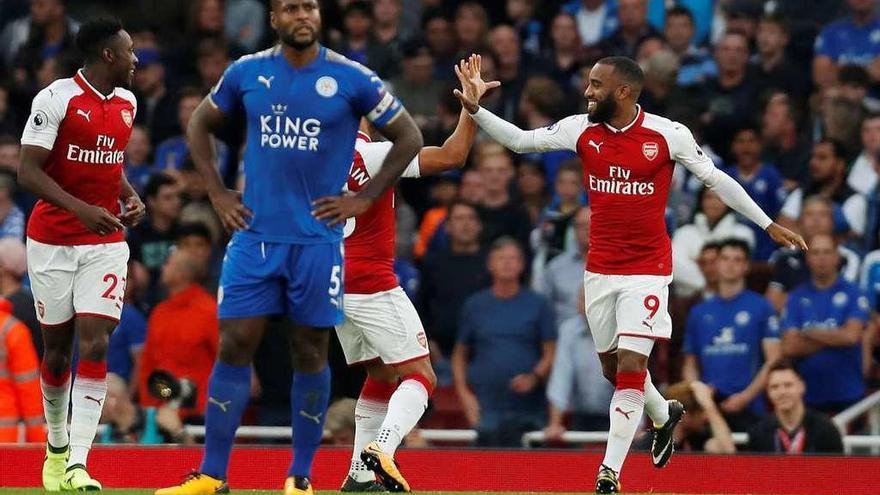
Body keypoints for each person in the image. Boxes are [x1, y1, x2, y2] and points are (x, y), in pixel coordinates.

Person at [454, 54, 804, 493]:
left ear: (624, 91)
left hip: (648, 270)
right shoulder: (581, 129)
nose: (587, 92)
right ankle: (663, 413)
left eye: (597, 85)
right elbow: (523, 142)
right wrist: (475, 108)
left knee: (633, 366)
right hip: (600, 269)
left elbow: (718, 180)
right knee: (613, 370)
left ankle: (609, 473)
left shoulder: (668, 134)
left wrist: (767, 224)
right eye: (588, 84)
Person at [156, 1, 423, 494]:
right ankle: (211, 476)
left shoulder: (352, 77)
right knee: (235, 347)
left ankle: (299, 478)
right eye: (290, 7)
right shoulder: (247, 72)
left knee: (309, 353)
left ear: (319, 16)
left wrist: (363, 198)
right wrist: (215, 192)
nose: (302, 14)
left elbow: (409, 135)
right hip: (256, 238)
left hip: (317, 244)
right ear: (273, 18)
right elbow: (198, 125)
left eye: (310, 6)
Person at [337, 55, 484, 493]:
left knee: (381, 374)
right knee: (421, 376)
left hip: (331, 284)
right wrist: (471, 107)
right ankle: (382, 449)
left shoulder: (313, 158)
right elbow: (454, 155)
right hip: (371, 282)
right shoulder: (379, 155)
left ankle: (358, 478)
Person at [17, 17, 144, 491]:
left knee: (95, 342)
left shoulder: (129, 103)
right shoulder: (55, 99)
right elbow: (28, 173)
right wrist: (81, 209)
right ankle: (56, 448)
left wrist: (128, 194)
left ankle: (80, 463)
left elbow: (108, 163)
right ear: (108, 55)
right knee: (55, 353)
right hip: (51, 241)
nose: (136, 59)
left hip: (104, 242)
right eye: (129, 51)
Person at [452, 238, 556, 447]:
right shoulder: (475, 305)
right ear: (490, 264)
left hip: (529, 409)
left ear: (522, 264)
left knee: (529, 474)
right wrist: (464, 394)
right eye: (501, 258)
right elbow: (459, 354)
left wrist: (534, 377)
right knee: (484, 474)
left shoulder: (538, 304)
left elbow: (551, 352)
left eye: (513, 258)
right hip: (486, 407)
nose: (507, 263)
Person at [682, 239, 781, 432]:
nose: (730, 264)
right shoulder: (699, 312)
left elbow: (774, 359)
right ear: (716, 264)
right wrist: (700, 396)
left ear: (746, 267)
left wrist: (745, 397)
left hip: (750, 407)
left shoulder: (761, 307)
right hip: (709, 408)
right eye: (725, 258)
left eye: (737, 260)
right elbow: (690, 363)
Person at [780, 234, 868, 413]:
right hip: (809, 395)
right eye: (816, 252)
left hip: (849, 392)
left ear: (837, 256)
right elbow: (789, 347)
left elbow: (851, 337)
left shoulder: (854, 292)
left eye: (827, 252)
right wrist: (835, 336)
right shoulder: (796, 296)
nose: (821, 258)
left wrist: (809, 332)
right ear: (807, 258)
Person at [746, 360, 844, 453]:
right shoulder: (759, 432)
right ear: (768, 392)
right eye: (774, 387)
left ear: (801, 387)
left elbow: (837, 468)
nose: (782, 392)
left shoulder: (824, 428)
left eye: (788, 385)